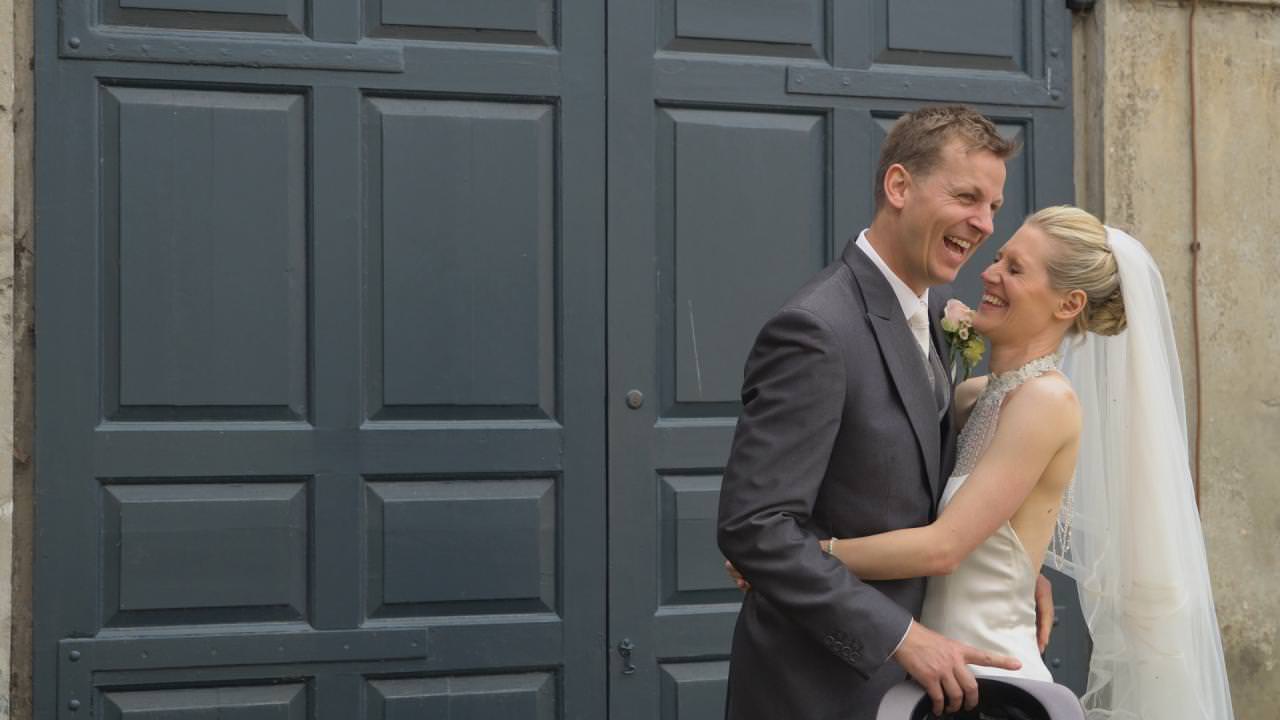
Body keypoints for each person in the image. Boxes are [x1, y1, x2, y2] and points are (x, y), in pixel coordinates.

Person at [731, 206, 1236, 720]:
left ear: (1070, 303)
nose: (989, 274)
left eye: (1015, 269)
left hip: (990, 683)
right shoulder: (976, 396)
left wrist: (802, 554)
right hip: (932, 678)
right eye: (998, 259)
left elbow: (943, 548)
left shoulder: (1047, 403)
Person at [716, 105, 1048, 720]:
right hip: (819, 688)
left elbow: (930, 483)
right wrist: (900, 636)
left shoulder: (943, 315)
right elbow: (754, 528)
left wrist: (1009, 569)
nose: (983, 224)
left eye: (994, 207)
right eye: (967, 197)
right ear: (899, 186)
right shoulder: (816, 329)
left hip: (926, 689)